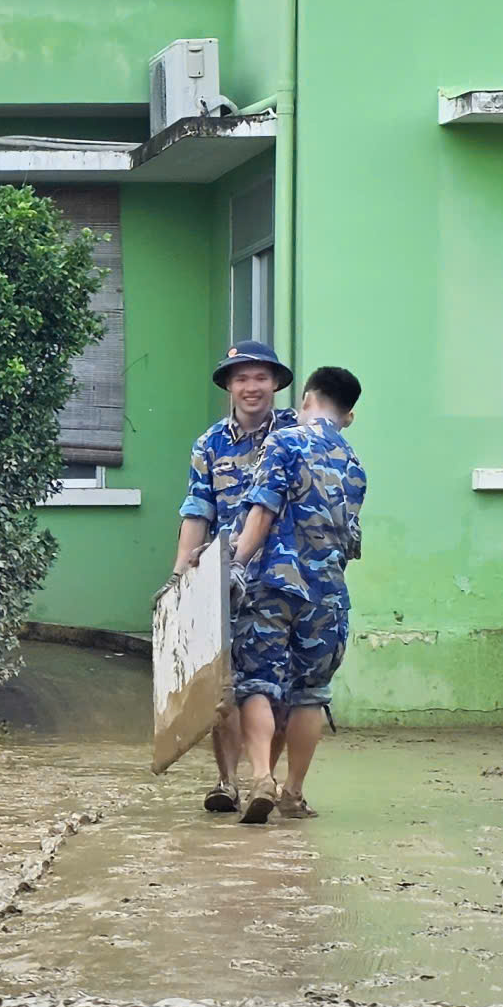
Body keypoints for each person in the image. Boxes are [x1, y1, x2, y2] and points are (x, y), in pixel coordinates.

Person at [229, 365, 366, 824]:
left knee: (257, 683)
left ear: (306, 398)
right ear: (347, 415)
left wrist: (237, 563)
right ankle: (294, 792)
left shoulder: (284, 441)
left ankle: (261, 778)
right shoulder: (353, 463)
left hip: (275, 584)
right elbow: (352, 542)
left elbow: (263, 508)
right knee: (311, 693)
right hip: (327, 594)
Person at [170, 340, 297, 812]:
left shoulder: (293, 434)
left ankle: (269, 778)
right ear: (228, 385)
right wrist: (180, 577)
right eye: (241, 378)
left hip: (284, 578)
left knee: (277, 688)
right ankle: (229, 781)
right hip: (223, 582)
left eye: (261, 377)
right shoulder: (209, 444)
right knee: (221, 686)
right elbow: (197, 510)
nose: (251, 387)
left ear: (276, 384)